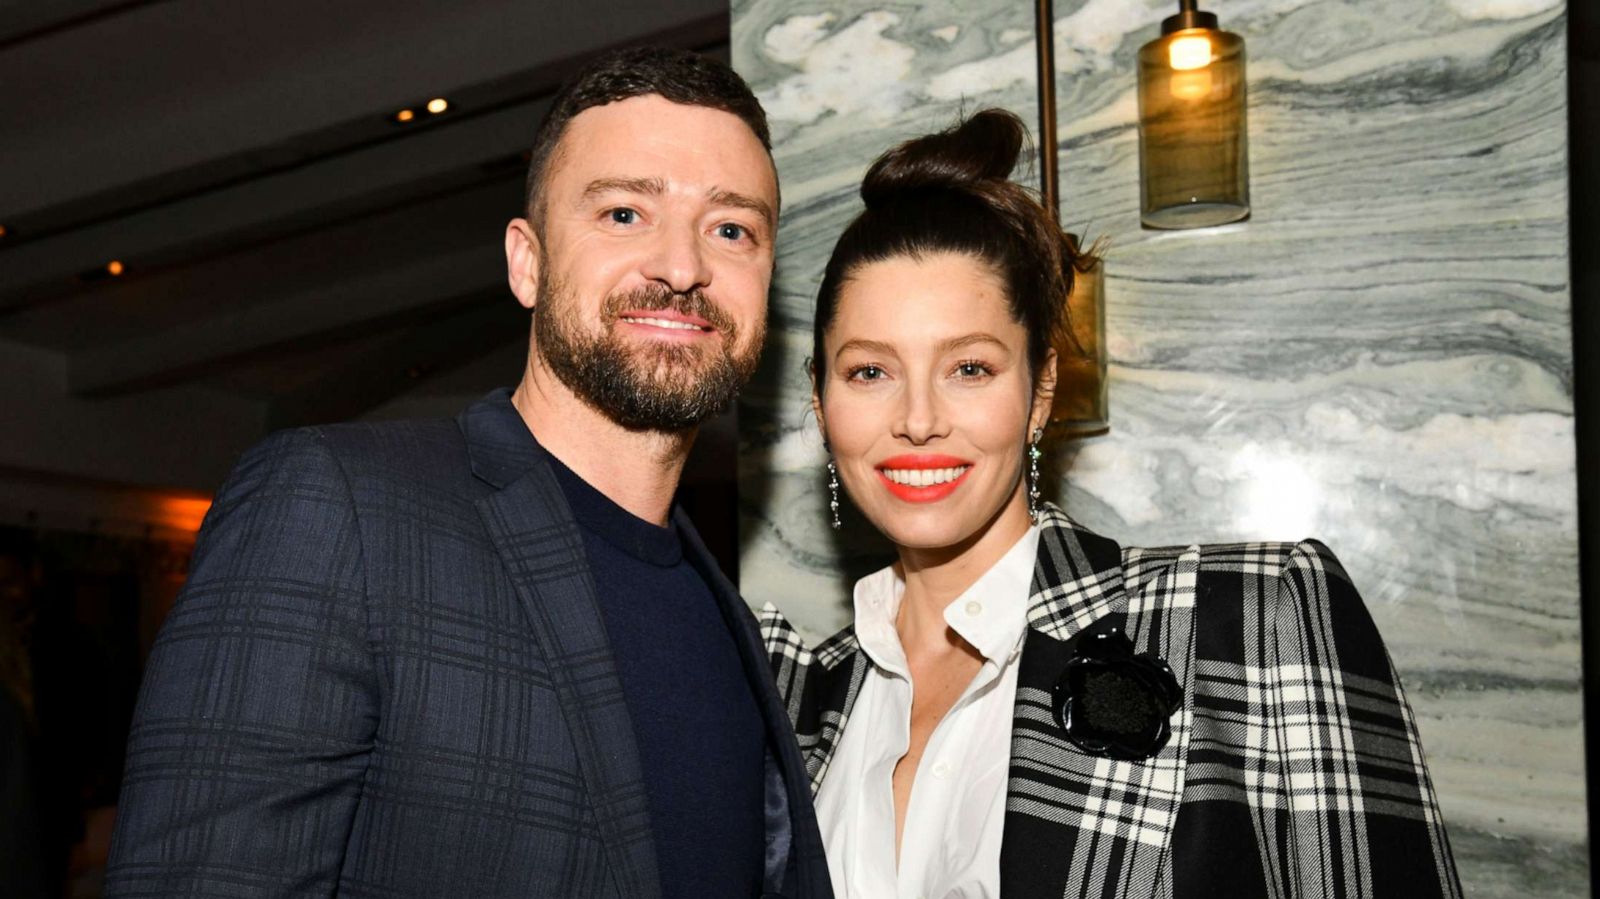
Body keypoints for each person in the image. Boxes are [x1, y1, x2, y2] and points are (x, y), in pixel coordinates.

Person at [106, 47, 830, 899]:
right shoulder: (336, 507)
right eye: (626, 213)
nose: (681, 267)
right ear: (527, 262)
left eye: (732, 228)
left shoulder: (728, 618)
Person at [761, 109, 1461, 899]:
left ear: (1040, 392)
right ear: (821, 405)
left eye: (970, 368)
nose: (918, 418)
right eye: (869, 372)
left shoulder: (1246, 622)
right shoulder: (788, 704)